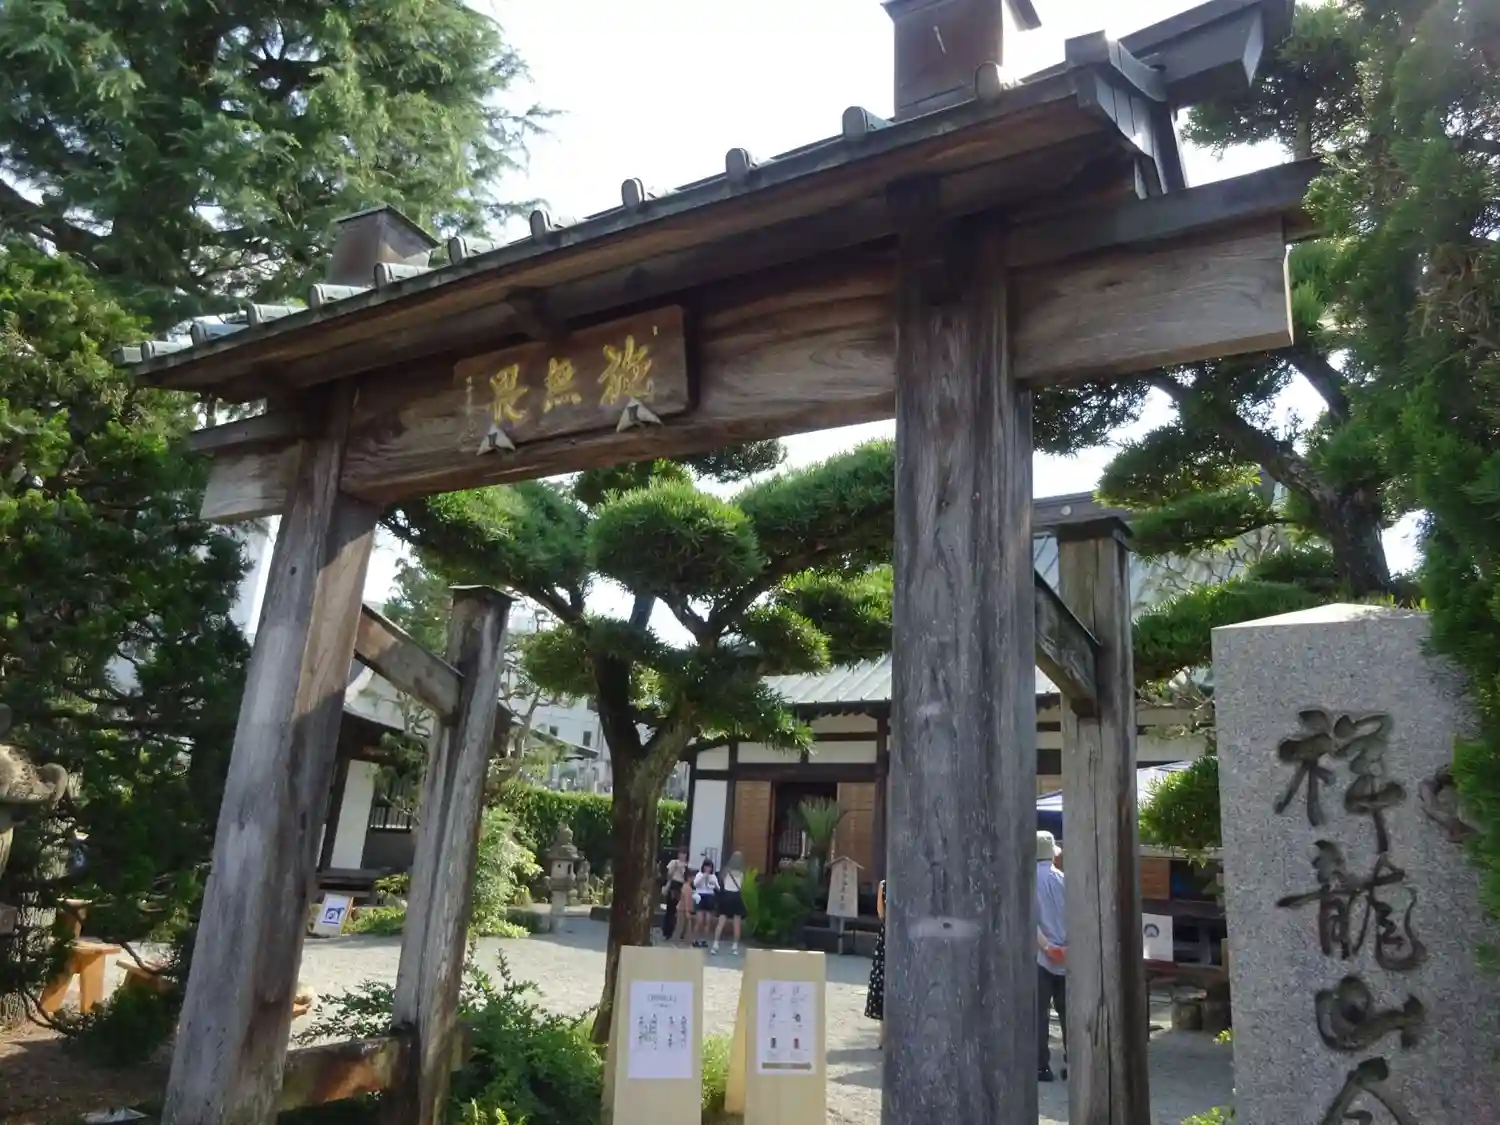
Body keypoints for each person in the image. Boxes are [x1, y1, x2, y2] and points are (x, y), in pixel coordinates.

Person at [1035, 830, 1068, 1082]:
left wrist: (1047, 947)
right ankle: (1074, 1062)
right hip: (1068, 955)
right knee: (1069, 1013)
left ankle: (1041, 1066)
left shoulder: (1026, 881)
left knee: (1039, 1013)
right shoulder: (1064, 880)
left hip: (1039, 955)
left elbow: (1029, 921)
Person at [713, 851, 748, 955]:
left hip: (726, 897)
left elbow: (722, 883)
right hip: (736, 897)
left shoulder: (726, 871)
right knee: (737, 924)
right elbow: (742, 886)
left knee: (721, 923)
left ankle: (715, 944)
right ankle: (735, 947)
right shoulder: (742, 873)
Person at [865, 878, 886, 1041]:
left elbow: (881, 913)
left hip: (886, 936)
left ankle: (882, 1035)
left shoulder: (884, 885)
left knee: (881, 983)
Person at [662, 846, 690, 943]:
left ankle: (681, 932)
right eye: (681, 853)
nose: (682, 855)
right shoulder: (673, 862)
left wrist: (683, 870)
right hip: (673, 884)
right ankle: (667, 932)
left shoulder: (687, 865)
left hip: (682, 885)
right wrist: (675, 868)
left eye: (684, 854)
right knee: (670, 909)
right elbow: (668, 875)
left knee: (682, 910)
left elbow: (687, 878)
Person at [690, 858, 720, 948]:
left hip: (709, 896)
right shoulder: (699, 874)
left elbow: (718, 888)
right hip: (700, 896)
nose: (708, 869)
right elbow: (695, 884)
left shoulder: (713, 876)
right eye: (706, 866)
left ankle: (704, 940)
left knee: (707, 921)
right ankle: (694, 939)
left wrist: (714, 883)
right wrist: (704, 876)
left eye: (709, 867)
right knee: (699, 920)